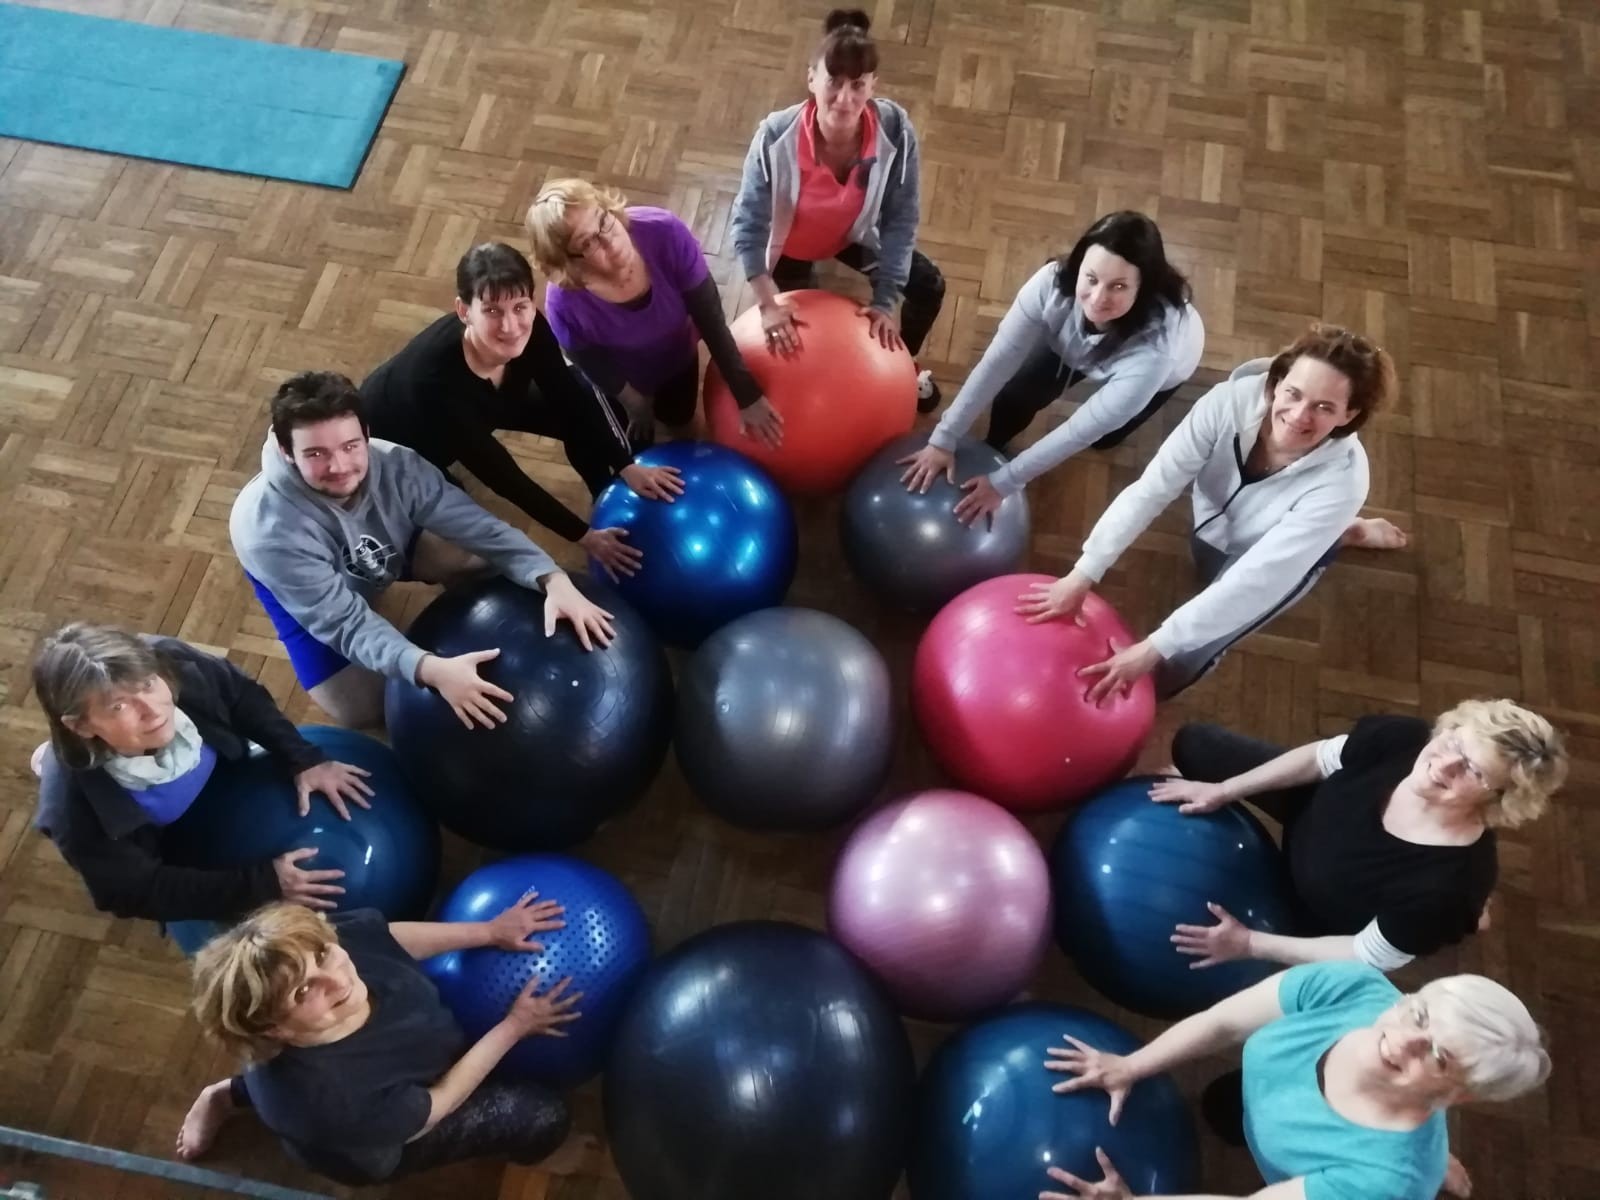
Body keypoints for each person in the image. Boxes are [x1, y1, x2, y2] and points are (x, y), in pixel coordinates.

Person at [1016, 324, 1406, 700]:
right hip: (1217, 519)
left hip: (1274, 559)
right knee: (1207, 570)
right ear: (1276, 382)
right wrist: (1084, 572)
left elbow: (1259, 577)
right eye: (1293, 393)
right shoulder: (1225, 404)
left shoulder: (1344, 483)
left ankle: (1339, 533)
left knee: (1186, 655)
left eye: (1324, 407)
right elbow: (1153, 489)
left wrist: (1154, 649)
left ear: (1349, 415)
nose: (1300, 415)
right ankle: (1342, 529)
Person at [229, 371, 614, 731]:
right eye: (316, 454)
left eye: (350, 445)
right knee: (360, 708)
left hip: (384, 544)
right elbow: (346, 624)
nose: (340, 465)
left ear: (365, 433)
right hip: (309, 588)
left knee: (467, 554)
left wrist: (552, 577)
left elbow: (480, 529)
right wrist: (429, 669)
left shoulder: (397, 466)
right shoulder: (268, 532)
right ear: (285, 451)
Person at [1039, 962, 1550, 1200]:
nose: (1405, 1040)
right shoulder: (1353, 988)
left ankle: (1435, 1161)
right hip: (1265, 1096)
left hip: (1332, 1177)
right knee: (1222, 1108)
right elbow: (1222, 1023)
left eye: (1438, 1056)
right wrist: (1130, 1065)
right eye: (1418, 1015)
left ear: (1456, 1094)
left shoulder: (1384, 1182)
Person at [175, 899, 579, 1186]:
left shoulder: (317, 947)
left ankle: (226, 1093)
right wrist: (515, 1025)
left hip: (390, 1068)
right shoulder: (334, 1103)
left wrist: (490, 932)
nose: (337, 978)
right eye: (302, 993)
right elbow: (442, 1100)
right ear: (273, 1029)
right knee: (541, 1115)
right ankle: (228, 1096)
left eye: (322, 955)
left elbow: (385, 937)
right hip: (383, 1136)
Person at [1147, 700, 1565, 974]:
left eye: (1474, 770)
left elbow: (1366, 955)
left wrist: (1249, 943)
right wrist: (1222, 790)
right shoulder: (1404, 739)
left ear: (1502, 797)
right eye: (1454, 742)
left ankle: (1466, 920)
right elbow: (1319, 758)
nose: (1445, 765)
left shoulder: (1448, 887)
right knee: (1197, 744)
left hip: (1317, 912)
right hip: (1313, 809)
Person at [31, 624, 373, 954]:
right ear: (81, 724)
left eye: (148, 685)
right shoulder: (71, 807)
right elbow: (129, 890)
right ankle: (49, 756)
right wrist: (263, 885)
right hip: (177, 839)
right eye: (119, 706)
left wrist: (305, 758)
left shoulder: (167, 658)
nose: (152, 711)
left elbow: (240, 697)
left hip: (225, 782)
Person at [361, 242, 686, 581]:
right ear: (463, 311)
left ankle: (603, 492)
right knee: (457, 528)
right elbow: (506, 478)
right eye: (491, 311)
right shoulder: (435, 385)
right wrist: (583, 537)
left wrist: (625, 466)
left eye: (520, 306)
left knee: (590, 413)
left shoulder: (530, 327)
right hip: (402, 440)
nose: (511, 326)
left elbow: (570, 397)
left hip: (486, 405)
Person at [900, 211, 1204, 525]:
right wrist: (943, 438)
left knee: (1105, 437)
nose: (1098, 299)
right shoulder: (1051, 283)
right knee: (1014, 397)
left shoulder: (1158, 350)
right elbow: (997, 362)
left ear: (1143, 289)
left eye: (1119, 286)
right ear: (1079, 264)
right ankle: (996, 444)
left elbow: (1077, 432)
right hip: (1070, 344)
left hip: (1163, 373)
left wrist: (1006, 482)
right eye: (1092, 278)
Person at [729, 8, 945, 412]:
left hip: (853, 235)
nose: (845, 99)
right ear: (811, 77)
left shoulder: (896, 129)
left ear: (873, 85)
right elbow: (748, 223)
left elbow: (901, 217)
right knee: (797, 331)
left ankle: (902, 363)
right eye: (834, 81)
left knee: (928, 284)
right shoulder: (775, 136)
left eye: (858, 85)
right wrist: (766, 299)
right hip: (790, 245)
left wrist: (883, 303)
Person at [526, 181, 784, 450]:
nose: (610, 241)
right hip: (625, 381)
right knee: (636, 442)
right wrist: (635, 405)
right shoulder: (564, 306)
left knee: (681, 421)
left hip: (679, 359)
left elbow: (712, 321)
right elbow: (593, 365)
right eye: (588, 242)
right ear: (569, 262)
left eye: (603, 219)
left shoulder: (664, 232)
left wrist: (746, 394)